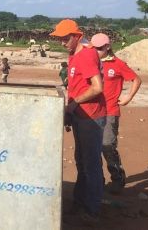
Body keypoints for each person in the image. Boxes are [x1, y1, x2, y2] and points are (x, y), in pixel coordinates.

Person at [50, 19, 105, 222]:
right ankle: (80, 202)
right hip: (80, 116)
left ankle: (92, 210)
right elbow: (76, 87)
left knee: (90, 164)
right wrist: (70, 112)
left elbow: (97, 87)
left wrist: (73, 105)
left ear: (76, 36)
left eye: (65, 38)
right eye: (60, 39)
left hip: (91, 116)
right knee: (81, 161)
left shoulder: (87, 55)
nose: (62, 42)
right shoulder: (73, 56)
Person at [91, 33, 142, 194]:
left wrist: (128, 98)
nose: (97, 51)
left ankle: (118, 179)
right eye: (94, 48)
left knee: (107, 146)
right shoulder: (91, 62)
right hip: (92, 112)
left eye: (100, 48)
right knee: (92, 148)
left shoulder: (118, 64)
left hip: (110, 112)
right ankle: (97, 181)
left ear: (108, 47)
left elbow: (136, 79)